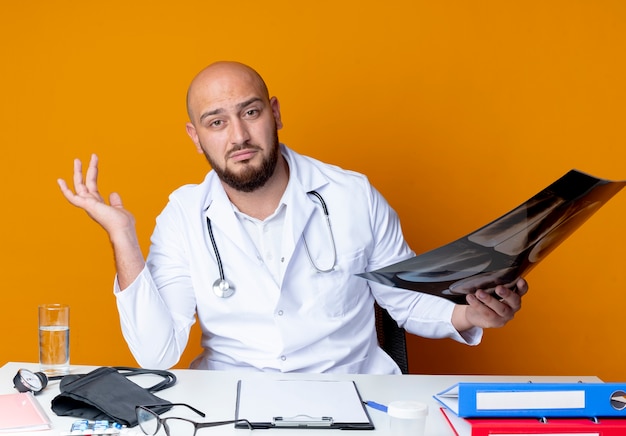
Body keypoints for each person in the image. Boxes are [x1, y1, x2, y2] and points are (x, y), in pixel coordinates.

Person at [57, 61, 528, 374]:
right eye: (216, 122)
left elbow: (404, 301)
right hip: (231, 409)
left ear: (275, 113)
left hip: (351, 398)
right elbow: (155, 353)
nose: (238, 135)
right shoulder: (183, 214)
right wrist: (122, 237)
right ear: (195, 137)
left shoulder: (352, 195)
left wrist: (470, 314)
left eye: (251, 111)